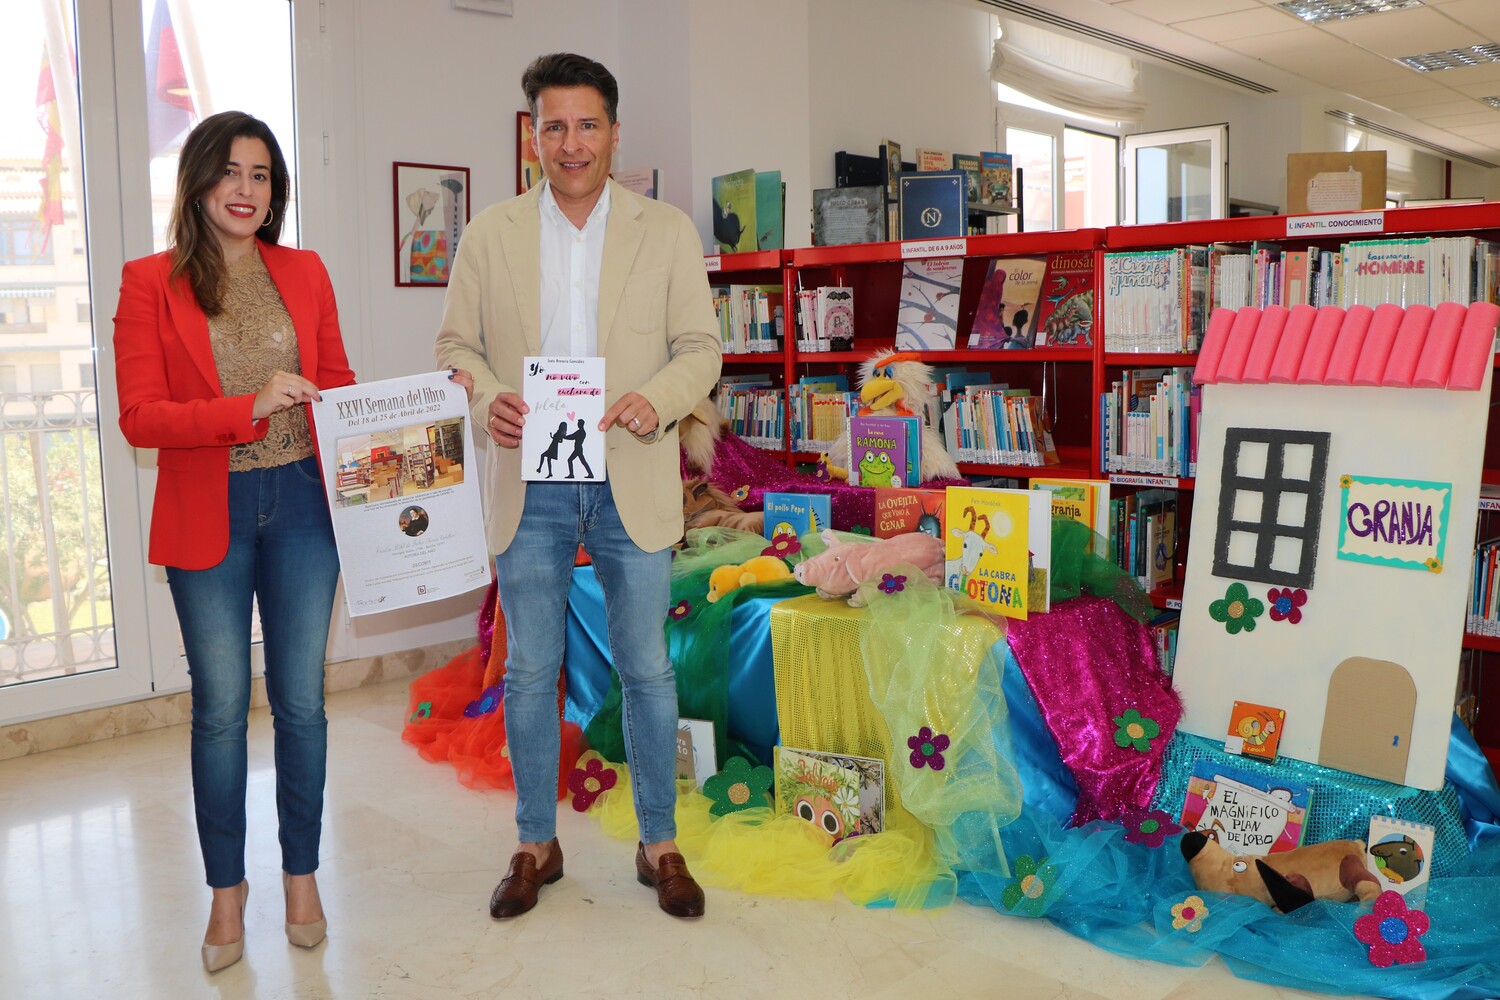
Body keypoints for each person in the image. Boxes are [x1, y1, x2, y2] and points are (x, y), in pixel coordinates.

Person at [434, 52, 721, 920]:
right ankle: (535, 843)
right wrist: (486, 398)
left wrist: (657, 400)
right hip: (533, 481)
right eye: (554, 126)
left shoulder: (666, 231)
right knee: (531, 669)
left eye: (587, 125)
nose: (571, 143)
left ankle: (659, 842)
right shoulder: (489, 235)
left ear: (614, 132)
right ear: (533, 137)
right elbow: (455, 347)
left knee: (647, 669)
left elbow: (701, 350)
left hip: (631, 467)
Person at [112, 111, 355, 972]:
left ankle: (300, 876)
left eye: (260, 175)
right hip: (206, 508)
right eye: (230, 172)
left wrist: (403, 420)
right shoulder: (149, 281)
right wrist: (244, 408)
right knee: (219, 710)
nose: (245, 189)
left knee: (301, 703)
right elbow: (140, 417)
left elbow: (338, 384)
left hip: (303, 505)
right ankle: (226, 890)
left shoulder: (305, 270)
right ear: (199, 181)